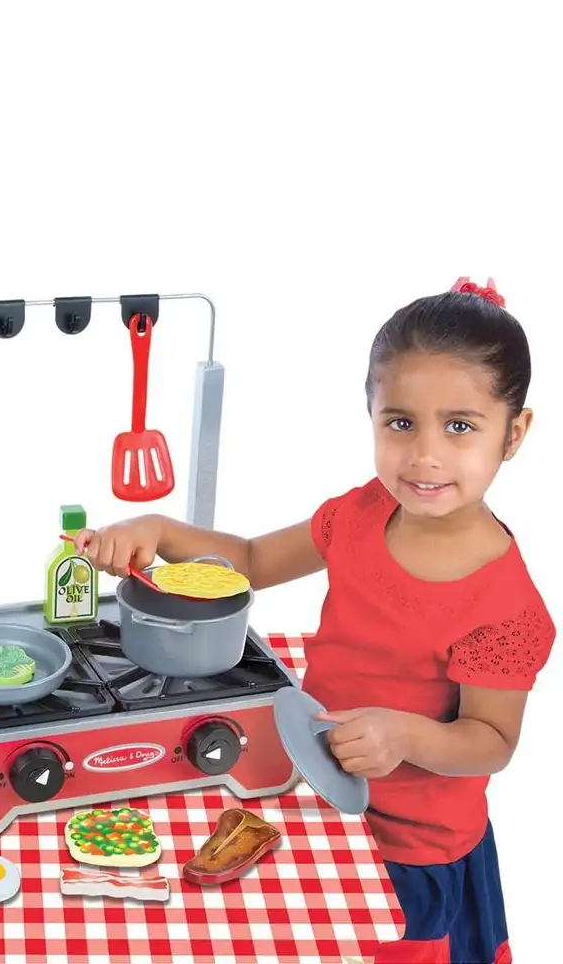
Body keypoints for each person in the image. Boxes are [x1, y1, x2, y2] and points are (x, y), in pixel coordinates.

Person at [73, 278, 555, 964]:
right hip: (315, 793)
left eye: (459, 426)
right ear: (372, 415)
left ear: (514, 433)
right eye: (400, 423)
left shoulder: (507, 607)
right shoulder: (360, 514)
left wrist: (404, 734)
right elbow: (249, 560)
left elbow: (492, 741)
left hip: (415, 849)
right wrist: (157, 529)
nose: (425, 454)